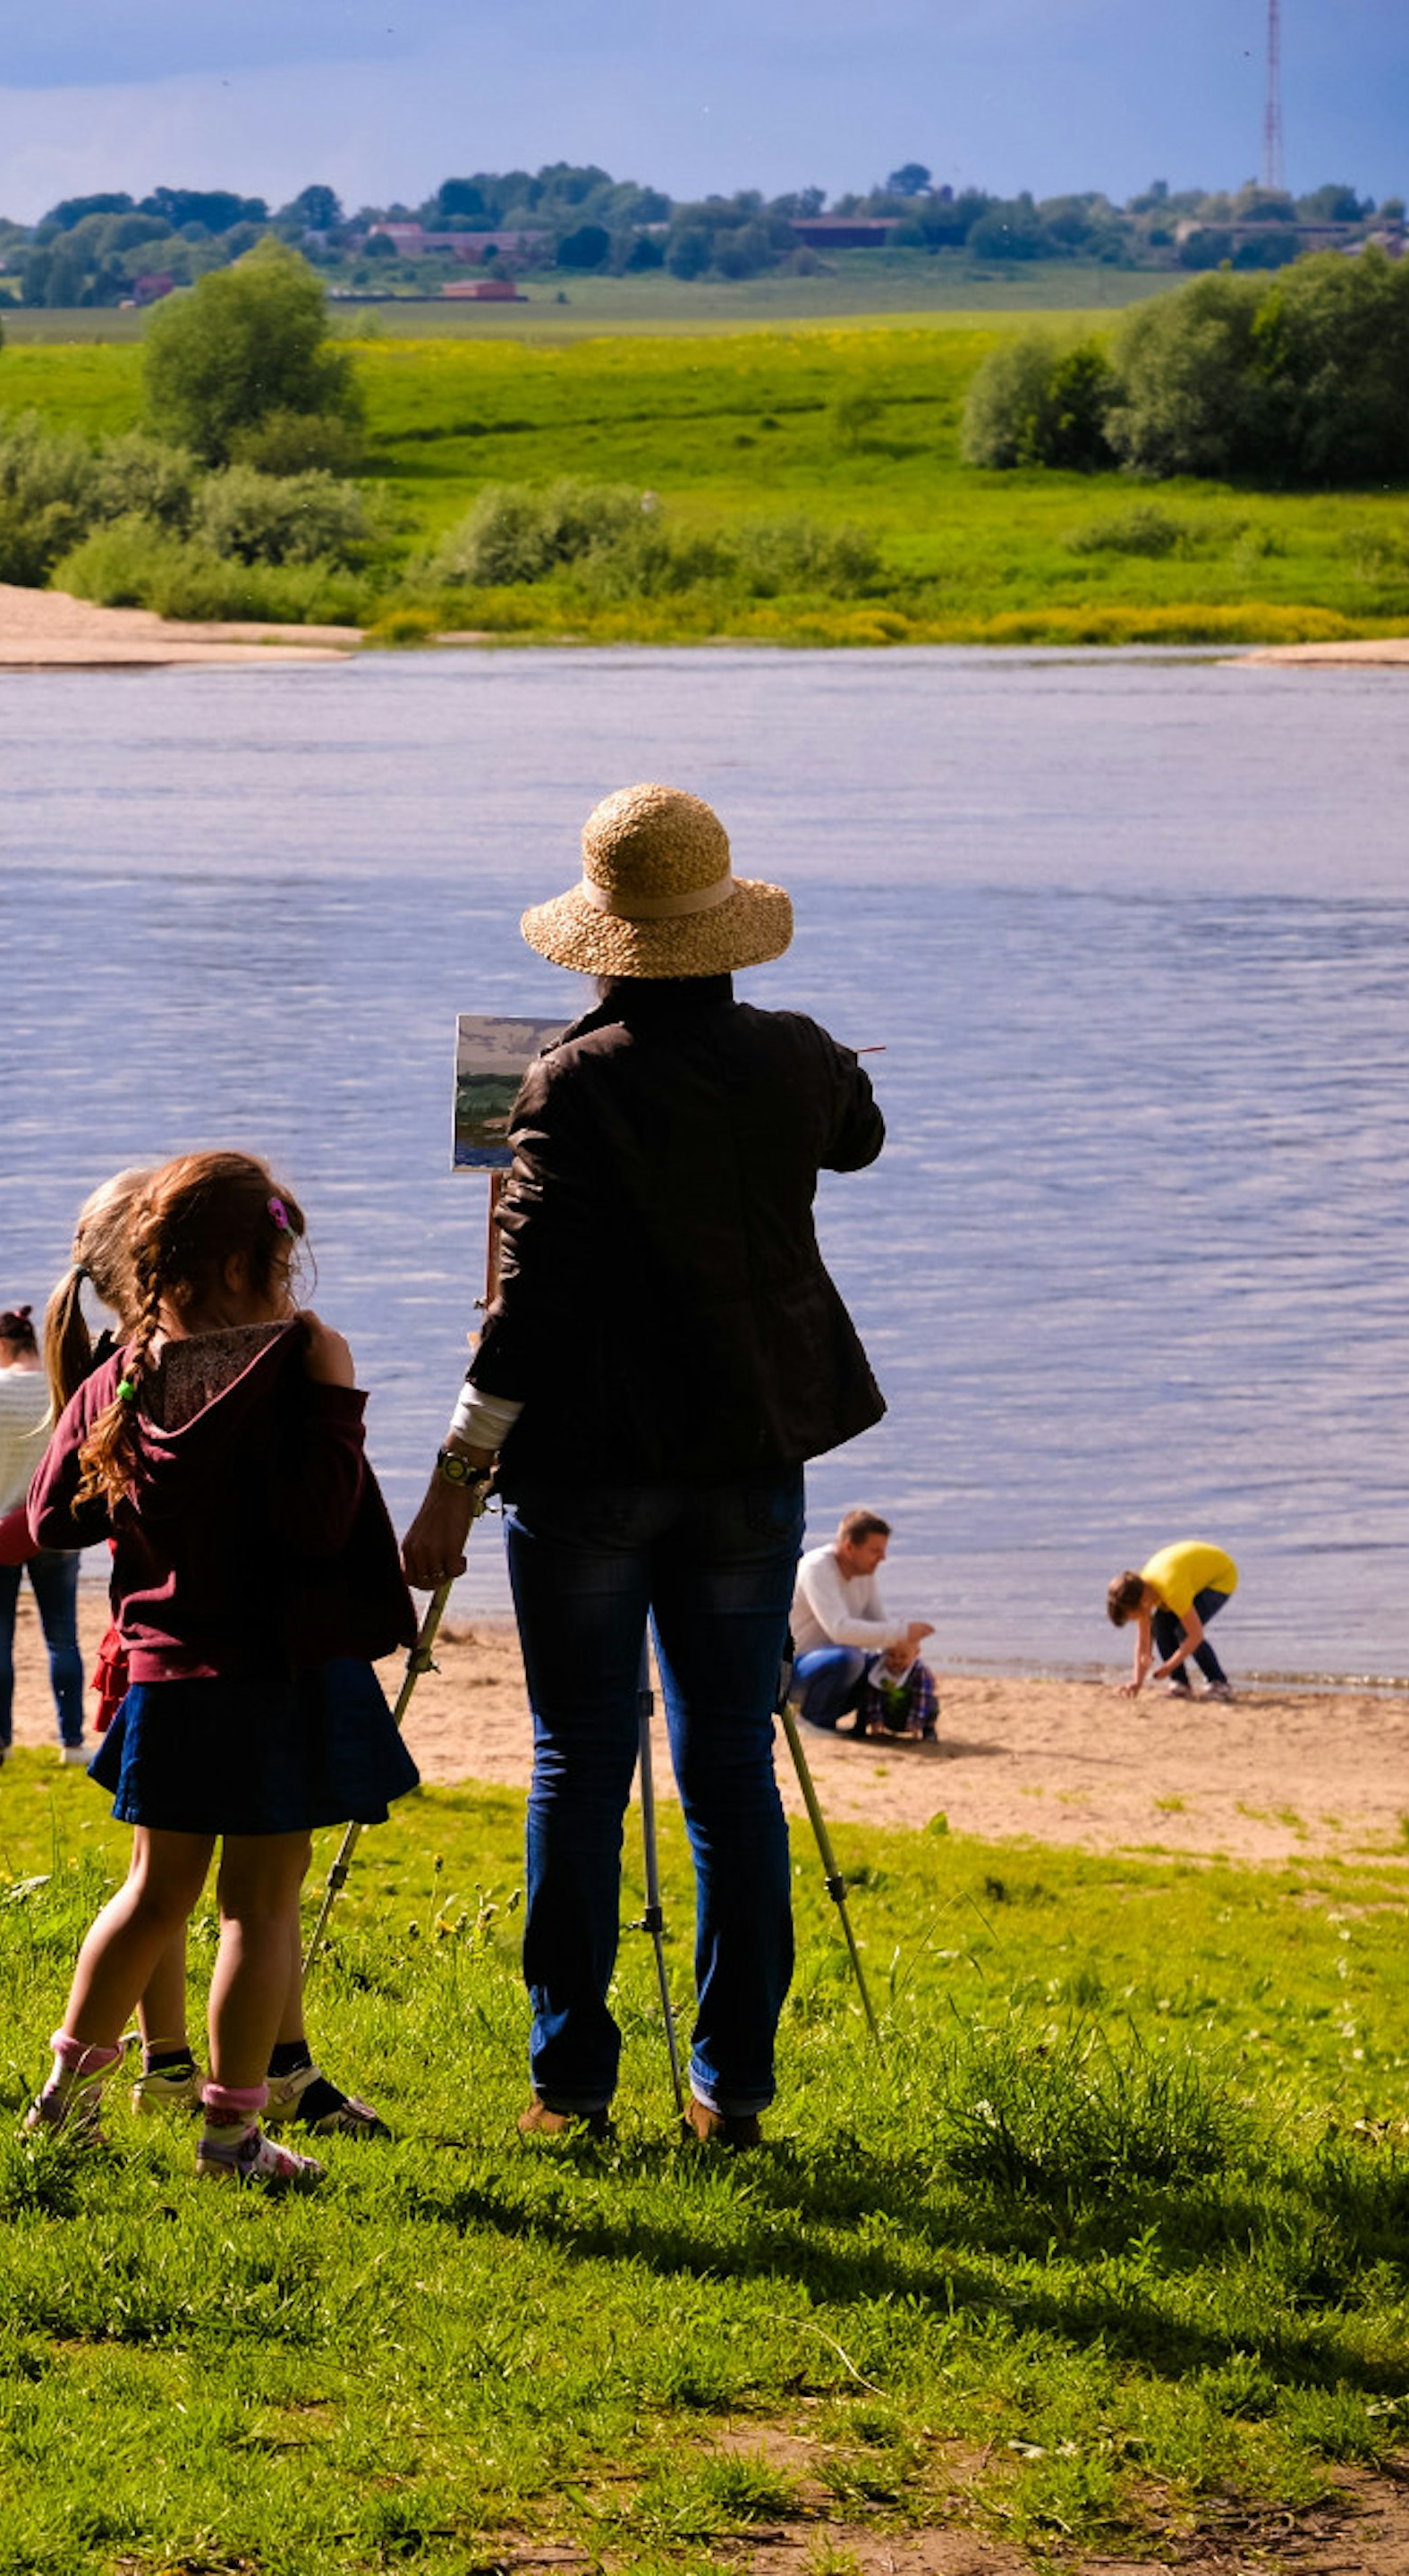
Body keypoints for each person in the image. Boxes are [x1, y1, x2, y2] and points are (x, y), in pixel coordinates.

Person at [399, 784, 886, 2152]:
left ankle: (573, 2088)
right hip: (744, 1458)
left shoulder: (568, 1077)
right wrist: (835, 1067)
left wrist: (453, 1471)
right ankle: (731, 2089)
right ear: (728, 928)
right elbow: (860, 1138)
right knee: (733, 1764)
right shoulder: (794, 1053)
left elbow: (531, 1307)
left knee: (579, 1757)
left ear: (603, 942)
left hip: (591, 1467)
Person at [21, 1151, 420, 2191]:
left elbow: (48, 1517)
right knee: (258, 1909)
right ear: (267, 1252)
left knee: (153, 1895)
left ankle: (60, 2105)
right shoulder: (303, 1360)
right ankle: (233, 2140)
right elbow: (316, 1524)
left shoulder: (124, 1368)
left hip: (163, 1676)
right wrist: (339, 1403)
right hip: (279, 1678)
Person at [0, 1305, 87, 1760]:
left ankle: (1, 1743)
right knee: (62, 1637)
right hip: (52, 1527)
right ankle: (71, 1743)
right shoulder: (59, 1384)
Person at [788, 1507, 936, 1739]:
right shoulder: (817, 1568)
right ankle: (813, 1721)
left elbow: (878, 1624)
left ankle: (887, 1722)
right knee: (851, 1657)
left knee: (891, 1664)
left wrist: (905, 1651)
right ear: (849, 1547)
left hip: (834, 1667)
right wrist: (902, 1631)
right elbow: (839, 1630)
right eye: (875, 1551)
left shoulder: (864, 1573)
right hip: (798, 1667)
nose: (882, 1558)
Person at [1108, 1540, 1238, 1699]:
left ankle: (1219, 1683)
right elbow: (1143, 1642)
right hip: (1188, 1573)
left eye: (1132, 1616)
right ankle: (1180, 1684)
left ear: (1144, 1603)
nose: (1134, 1620)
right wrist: (1137, 1682)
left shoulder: (1172, 1591)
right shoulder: (1143, 1591)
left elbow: (1195, 1635)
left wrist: (1169, 1666)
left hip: (1220, 1577)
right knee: (1160, 1625)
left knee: (1184, 1631)